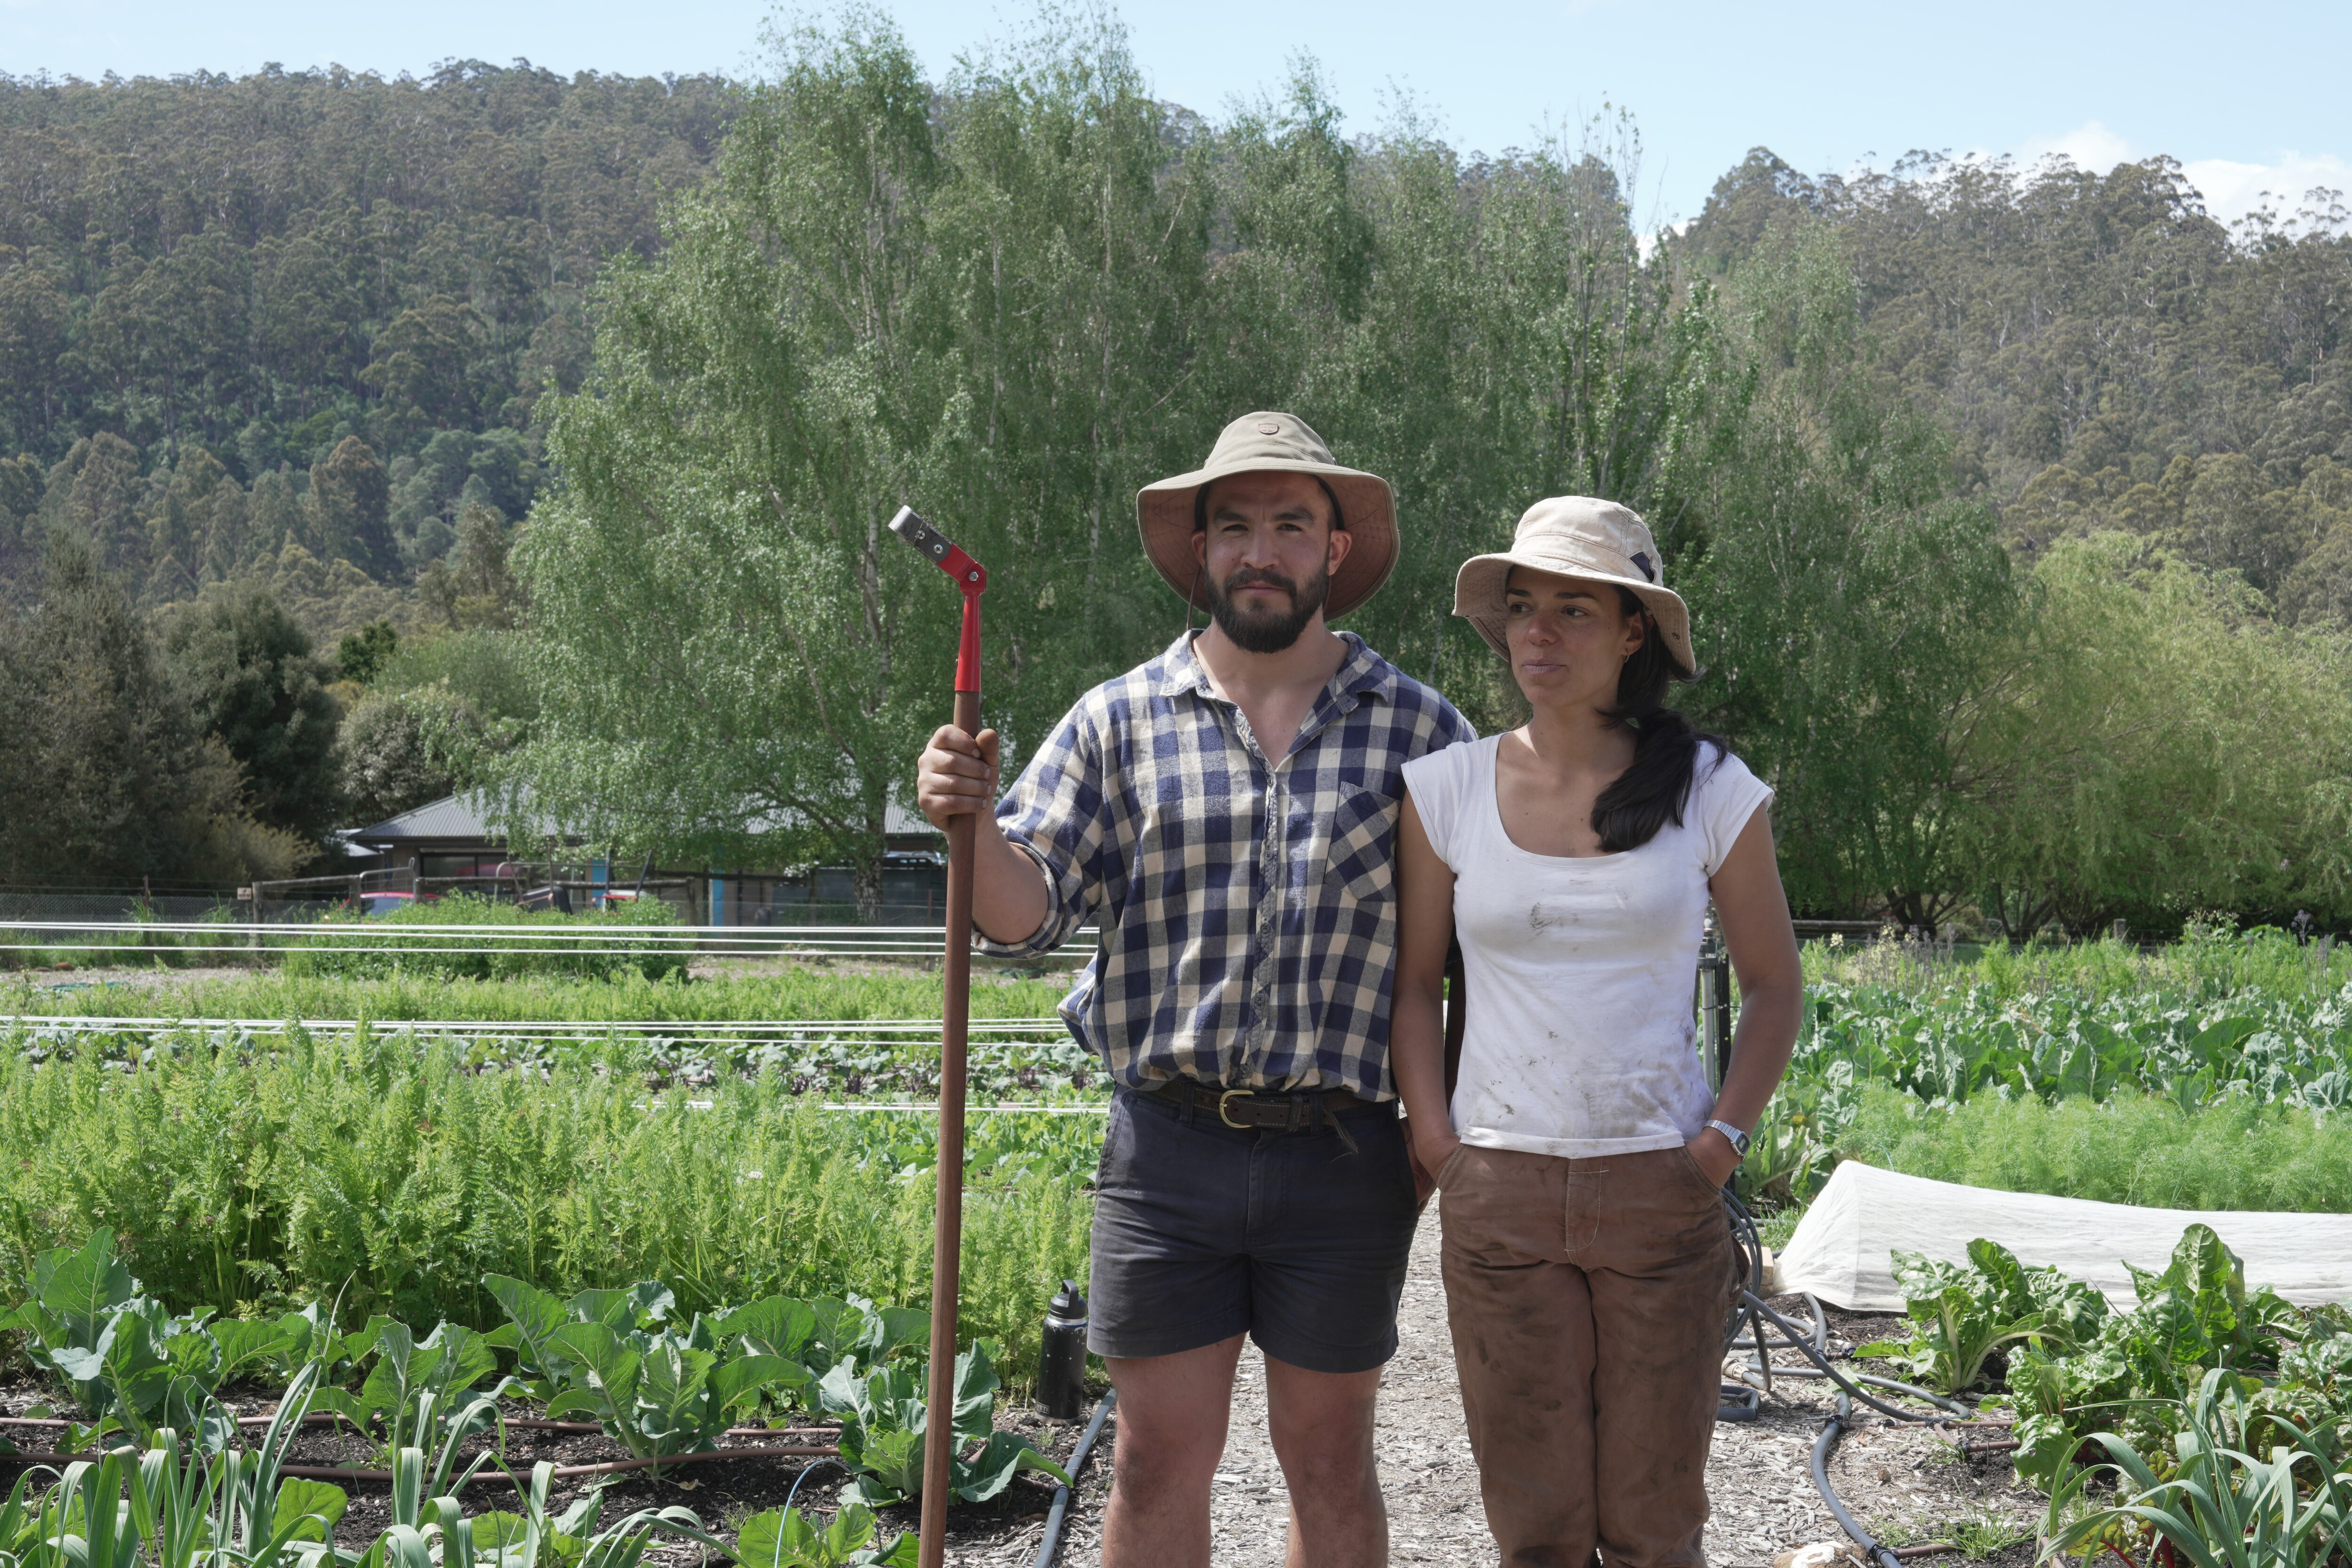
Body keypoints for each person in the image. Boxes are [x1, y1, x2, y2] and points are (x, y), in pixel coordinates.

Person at [914, 412, 1473, 1568]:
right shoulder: (1118, 719)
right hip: (1166, 1154)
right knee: (1155, 1460)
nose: (1259, 550)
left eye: (1288, 524)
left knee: (1329, 1463)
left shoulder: (1422, 732)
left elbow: (1481, 951)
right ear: (1204, 551)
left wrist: (1439, 1135)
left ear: (1332, 550)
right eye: (1234, 527)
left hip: (1343, 1153)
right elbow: (1022, 914)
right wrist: (964, 820)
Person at [1388, 496, 1802, 1568]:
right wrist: (1440, 1147)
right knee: (1535, 1528)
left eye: (1573, 609)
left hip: (1661, 1192)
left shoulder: (1712, 788)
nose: (1538, 631)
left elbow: (1772, 985)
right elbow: (1415, 985)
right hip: (1502, 1193)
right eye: (1523, 607)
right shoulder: (1446, 789)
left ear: (1633, 633)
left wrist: (1720, 1144)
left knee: (1655, 1524)